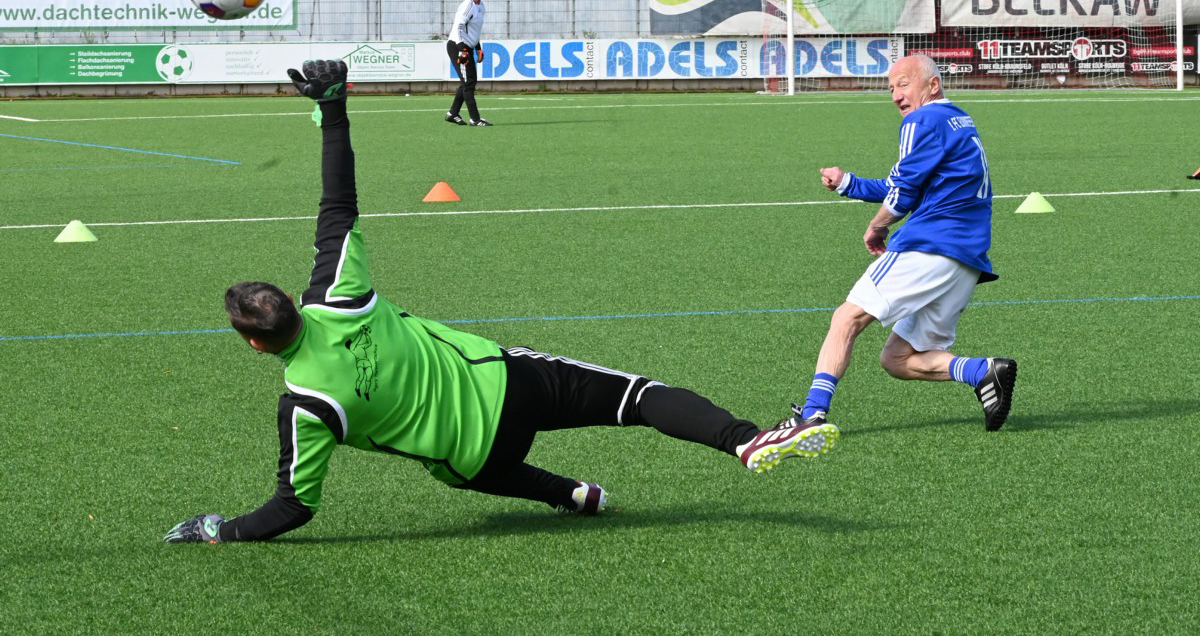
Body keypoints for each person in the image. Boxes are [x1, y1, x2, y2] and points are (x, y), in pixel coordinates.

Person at [164, 60, 840, 544]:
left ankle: (574, 495)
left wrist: (220, 529)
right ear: (291, 299)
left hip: (474, 458)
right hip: (508, 384)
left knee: (467, 471)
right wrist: (333, 108)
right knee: (638, 397)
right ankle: (744, 440)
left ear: (253, 344)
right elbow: (337, 202)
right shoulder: (340, 296)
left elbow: (293, 508)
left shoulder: (306, 407)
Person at [781, 54, 1017, 434]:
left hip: (929, 246)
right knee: (897, 358)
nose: (895, 95)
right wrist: (847, 183)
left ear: (933, 85)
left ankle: (811, 415)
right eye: (891, 88)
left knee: (846, 318)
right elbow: (906, 184)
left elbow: (903, 194)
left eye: (904, 84)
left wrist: (876, 227)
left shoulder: (921, 121)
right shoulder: (957, 120)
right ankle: (981, 372)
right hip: (965, 261)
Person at [444, 0, 491, 127]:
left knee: (467, 81)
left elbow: (473, 31)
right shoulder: (467, 6)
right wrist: (463, 50)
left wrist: (478, 48)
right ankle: (475, 119)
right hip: (457, 46)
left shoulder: (481, 6)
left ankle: (452, 114)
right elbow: (458, 28)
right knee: (469, 82)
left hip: (468, 47)